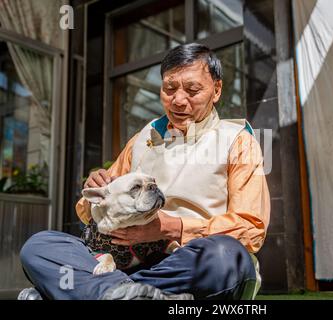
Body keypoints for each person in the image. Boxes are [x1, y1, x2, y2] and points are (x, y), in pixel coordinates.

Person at [18, 43, 270, 300]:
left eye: (192, 90)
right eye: (169, 89)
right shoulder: (143, 138)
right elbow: (89, 212)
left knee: (228, 256)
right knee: (39, 246)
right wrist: (100, 187)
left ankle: (103, 291)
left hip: (183, 264)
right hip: (126, 261)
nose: (178, 100)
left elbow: (251, 229)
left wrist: (172, 228)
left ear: (216, 90)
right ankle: (125, 293)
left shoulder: (237, 140)